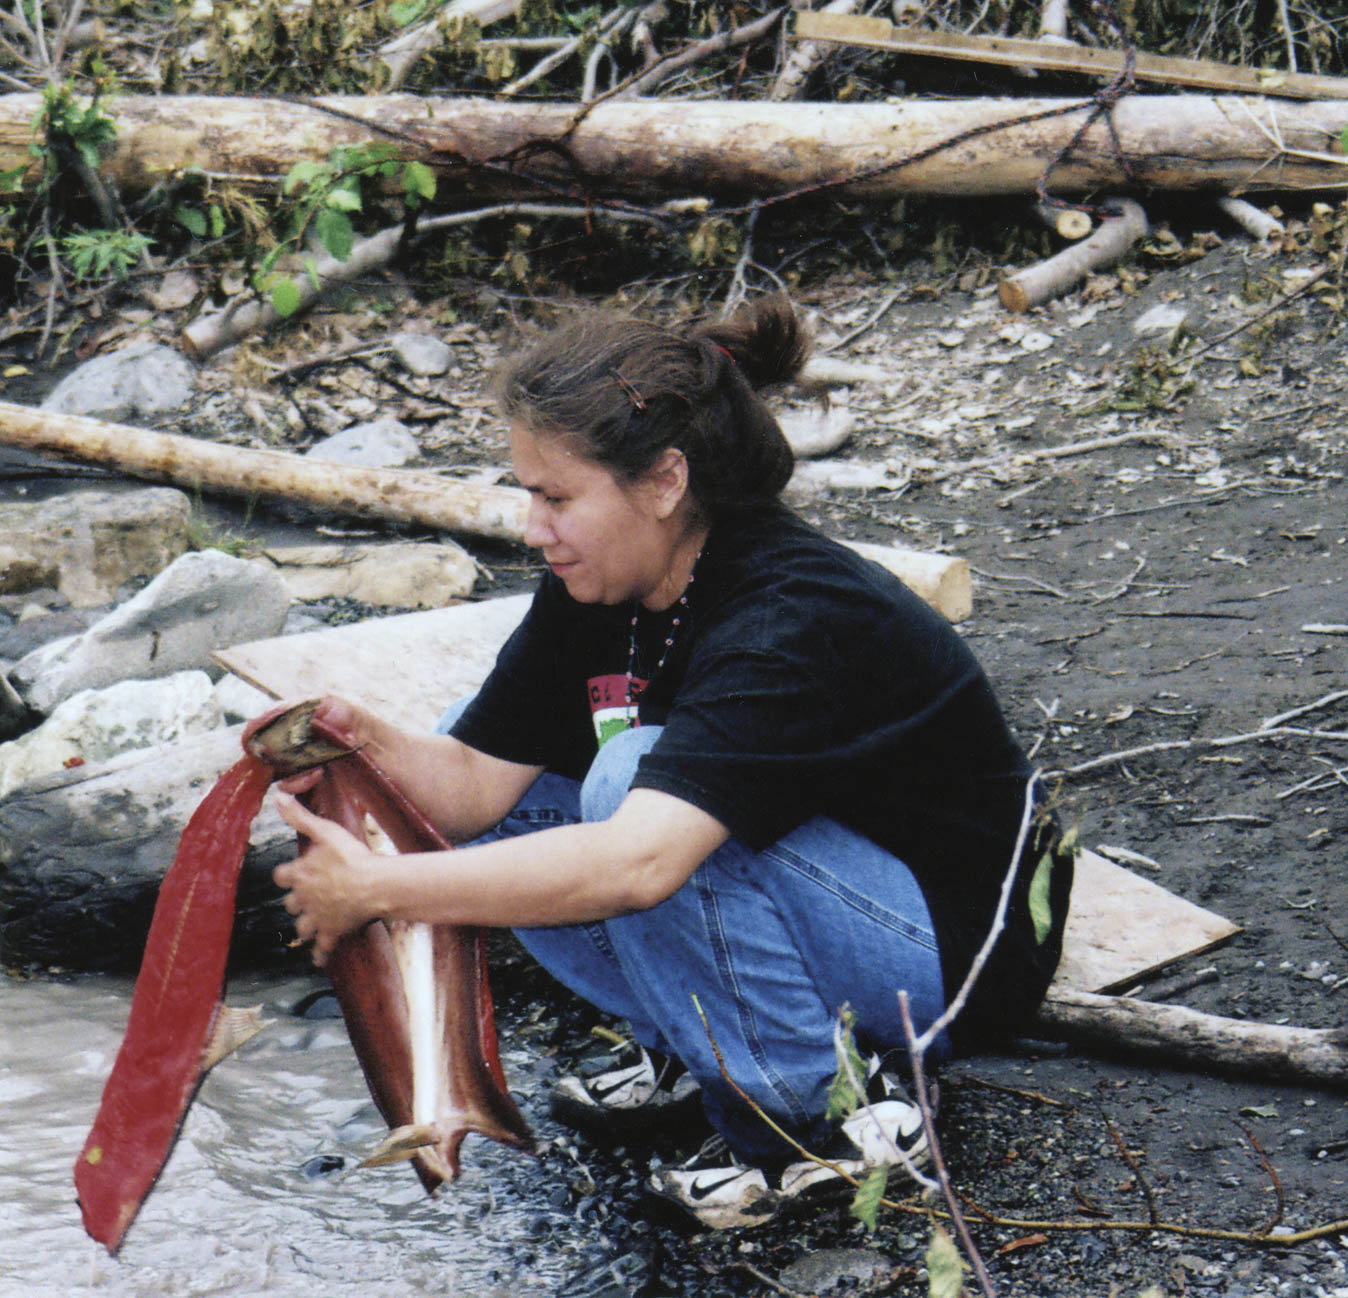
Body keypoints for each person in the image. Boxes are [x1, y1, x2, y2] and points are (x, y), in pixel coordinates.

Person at [270, 297, 1073, 1230]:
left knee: (629, 787)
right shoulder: (603, 582)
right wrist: (360, 740)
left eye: (557, 497)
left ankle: (816, 1116)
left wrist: (379, 891)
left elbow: (641, 862)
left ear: (662, 482)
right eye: (528, 493)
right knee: (534, 781)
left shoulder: (792, 614)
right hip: (828, 891)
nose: (533, 526)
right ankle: (695, 1044)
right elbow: (473, 786)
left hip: (952, 954)